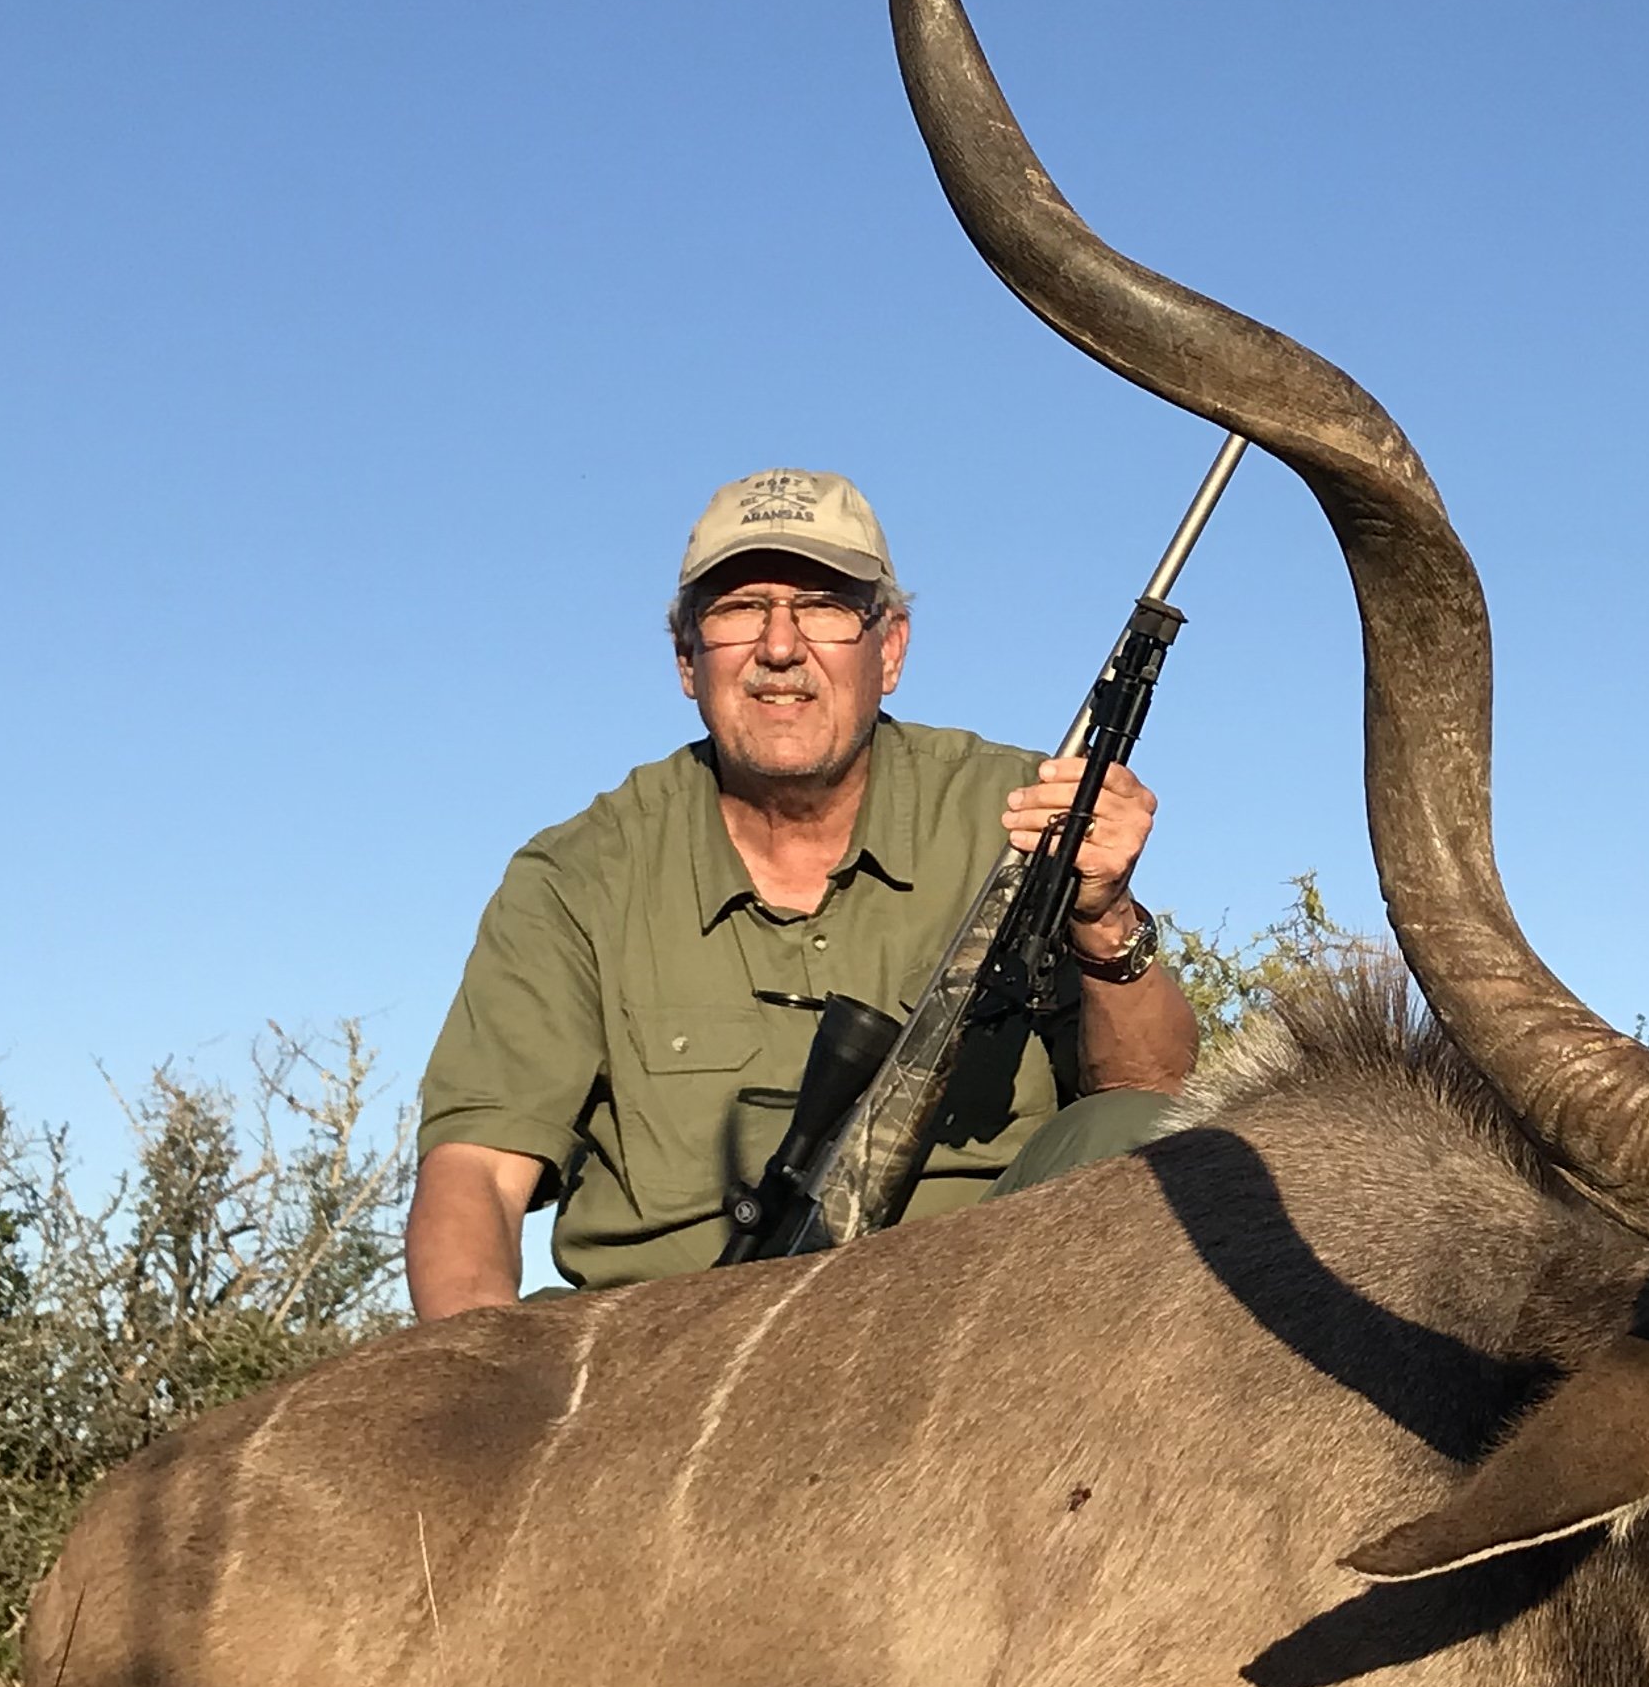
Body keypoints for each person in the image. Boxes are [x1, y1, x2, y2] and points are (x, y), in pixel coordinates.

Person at [404, 469, 1198, 1315]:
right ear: (686, 658)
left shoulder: (1023, 813)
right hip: (663, 1354)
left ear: (889, 647)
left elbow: (1145, 1097)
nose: (780, 647)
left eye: (823, 606)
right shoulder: (577, 876)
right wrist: (484, 1396)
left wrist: (1104, 914)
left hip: (975, 1334)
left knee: (1147, 1142)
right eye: (738, 608)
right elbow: (477, 1171)